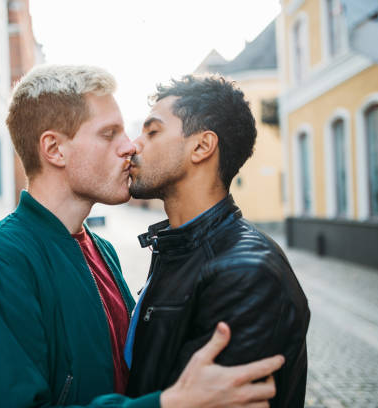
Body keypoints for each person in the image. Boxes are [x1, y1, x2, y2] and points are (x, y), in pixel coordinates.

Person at [0, 65, 284, 408]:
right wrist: (167, 405)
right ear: (54, 149)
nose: (129, 147)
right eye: (109, 134)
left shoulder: (101, 249)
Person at [125, 74, 311, 407]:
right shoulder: (176, 246)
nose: (132, 145)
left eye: (152, 132)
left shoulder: (245, 274)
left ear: (201, 146)